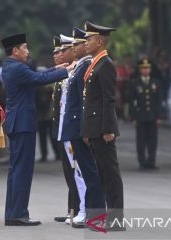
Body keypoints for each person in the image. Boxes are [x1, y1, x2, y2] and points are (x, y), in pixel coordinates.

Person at [1, 33, 75, 226]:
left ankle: (13, 213)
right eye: (25, 47)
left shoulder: (11, 66)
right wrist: (66, 70)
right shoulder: (17, 68)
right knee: (22, 171)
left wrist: (56, 68)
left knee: (16, 170)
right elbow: (38, 79)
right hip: (22, 123)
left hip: (17, 122)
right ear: (15, 50)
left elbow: (36, 76)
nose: (28, 51)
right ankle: (18, 214)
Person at [80, 21, 125, 231]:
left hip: (103, 128)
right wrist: (88, 130)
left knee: (110, 175)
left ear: (99, 41)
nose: (86, 42)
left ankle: (116, 219)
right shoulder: (95, 63)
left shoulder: (105, 64)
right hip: (95, 128)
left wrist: (108, 129)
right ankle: (109, 216)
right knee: (103, 174)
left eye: (89, 39)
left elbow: (108, 99)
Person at [60, 28, 105, 227]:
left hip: (79, 127)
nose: (76, 47)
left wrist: (85, 129)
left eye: (77, 44)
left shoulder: (86, 65)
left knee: (89, 172)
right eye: (77, 44)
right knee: (85, 172)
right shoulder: (79, 66)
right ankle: (90, 213)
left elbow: (85, 102)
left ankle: (95, 214)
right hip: (73, 126)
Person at [50, 35, 80, 223]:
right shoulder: (62, 73)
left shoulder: (74, 70)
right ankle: (72, 209)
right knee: (68, 171)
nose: (57, 55)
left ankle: (77, 209)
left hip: (70, 128)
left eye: (62, 51)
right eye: (55, 52)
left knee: (75, 169)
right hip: (60, 128)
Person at [130, 58, 161, 170]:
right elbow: (131, 101)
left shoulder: (155, 83)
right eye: (143, 68)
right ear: (140, 70)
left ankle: (151, 161)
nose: (145, 70)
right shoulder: (135, 83)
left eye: (147, 68)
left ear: (150, 69)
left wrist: (159, 116)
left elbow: (158, 100)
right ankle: (142, 162)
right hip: (140, 116)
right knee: (141, 141)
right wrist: (133, 117)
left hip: (152, 115)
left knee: (153, 140)